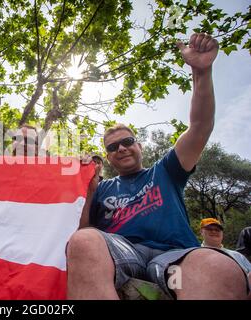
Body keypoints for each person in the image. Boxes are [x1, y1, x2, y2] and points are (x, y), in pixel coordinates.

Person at [66, 33, 250, 300]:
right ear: (108, 158)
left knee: (215, 266)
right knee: (83, 241)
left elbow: (199, 128)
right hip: (122, 254)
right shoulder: (103, 188)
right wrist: (89, 188)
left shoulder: (166, 170)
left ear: (139, 146)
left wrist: (201, 72)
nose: (121, 148)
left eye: (127, 141)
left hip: (174, 256)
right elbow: (81, 232)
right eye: (112, 147)